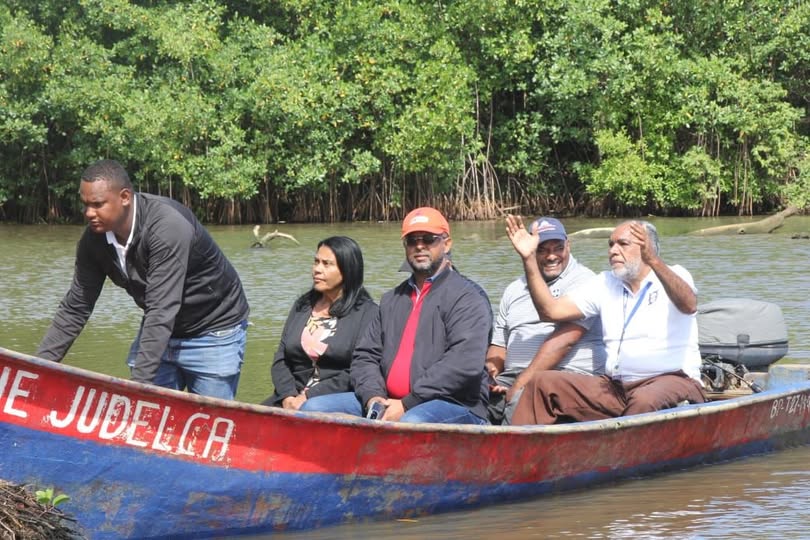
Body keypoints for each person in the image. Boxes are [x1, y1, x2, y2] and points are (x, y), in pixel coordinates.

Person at [36, 159, 250, 399]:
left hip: (213, 328)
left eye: (97, 204)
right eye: (85, 205)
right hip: (159, 329)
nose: (89, 213)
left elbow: (161, 309)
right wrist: (37, 370)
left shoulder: (167, 228)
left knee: (209, 423)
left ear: (125, 197)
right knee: (150, 420)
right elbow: (76, 307)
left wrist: (138, 391)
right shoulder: (94, 240)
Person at [505, 216, 705, 425]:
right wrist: (528, 259)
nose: (613, 251)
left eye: (623, 244)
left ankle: (623, 456)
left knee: (644, 401)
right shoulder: (604, 283)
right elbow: (550, 311)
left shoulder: (675, 274)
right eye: (611, 244)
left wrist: (654, 261)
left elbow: (689, 305)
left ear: (648, 249)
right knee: (541, 382)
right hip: (616, 387)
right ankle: (519, 453)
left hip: (673, 380)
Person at [304, 207, 492, 424]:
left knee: (412, 421)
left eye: (428, 239)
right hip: (389, 400)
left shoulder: (468, 297)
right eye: (412, 240)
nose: (419, 246)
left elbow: (464, 363)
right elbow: (365, 356)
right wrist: (373, 397)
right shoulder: (392, 299)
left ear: (446, 243)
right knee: (313, 408)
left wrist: (407, 403)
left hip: (455, 403)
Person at [486, 217, 605, 425]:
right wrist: (491, 374)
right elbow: (499, 345)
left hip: (562, 376)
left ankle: (506, 451)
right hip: (514, 375)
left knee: (523, 399)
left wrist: (521, 384)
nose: (551, 256)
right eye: (542, 250)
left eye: (558, 248)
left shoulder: (587, 282)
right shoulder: (513, 289)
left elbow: (563, 343)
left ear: (569, 245)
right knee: (469, 394)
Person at [263, 236, 379, 410]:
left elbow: (360, 368)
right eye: (316, 262)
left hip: (334, 398)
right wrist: (287, 395)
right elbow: (281, 357)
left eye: (327, 264)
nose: (317, 269)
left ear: (348, 270)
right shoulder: (302, 305)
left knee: (311, 409)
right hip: (291, 396)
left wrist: (308, 396)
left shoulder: (367, 312)